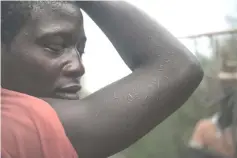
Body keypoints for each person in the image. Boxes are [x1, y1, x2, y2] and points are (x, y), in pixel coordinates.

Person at [1, 1, 203, 158]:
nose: (78, 67)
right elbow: (177, 66)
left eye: (80, 51)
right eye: (55, 47)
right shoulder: (12, 125)